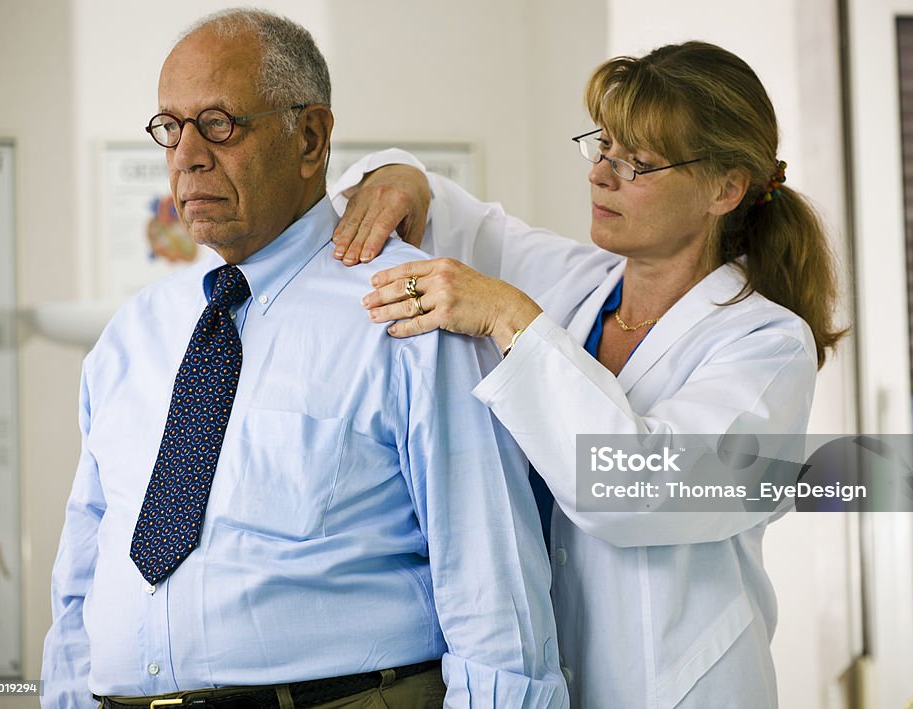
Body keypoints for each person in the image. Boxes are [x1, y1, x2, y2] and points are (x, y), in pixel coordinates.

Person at [41, 9, 566, 709]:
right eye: (171, 126)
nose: (187, 155)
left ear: (311, 138)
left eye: (219, 123)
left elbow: (492, 590)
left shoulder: (408, 309)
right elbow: (82, 574)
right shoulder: (134, 334)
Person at [329, 41, 844, 709]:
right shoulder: (573, 282)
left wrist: (510, 316)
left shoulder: (768, 347)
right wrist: (401, 174)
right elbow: (452, 212)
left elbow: (632, 490)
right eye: (602, 145)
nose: (602, 174)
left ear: (726, 188)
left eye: (639, 162)